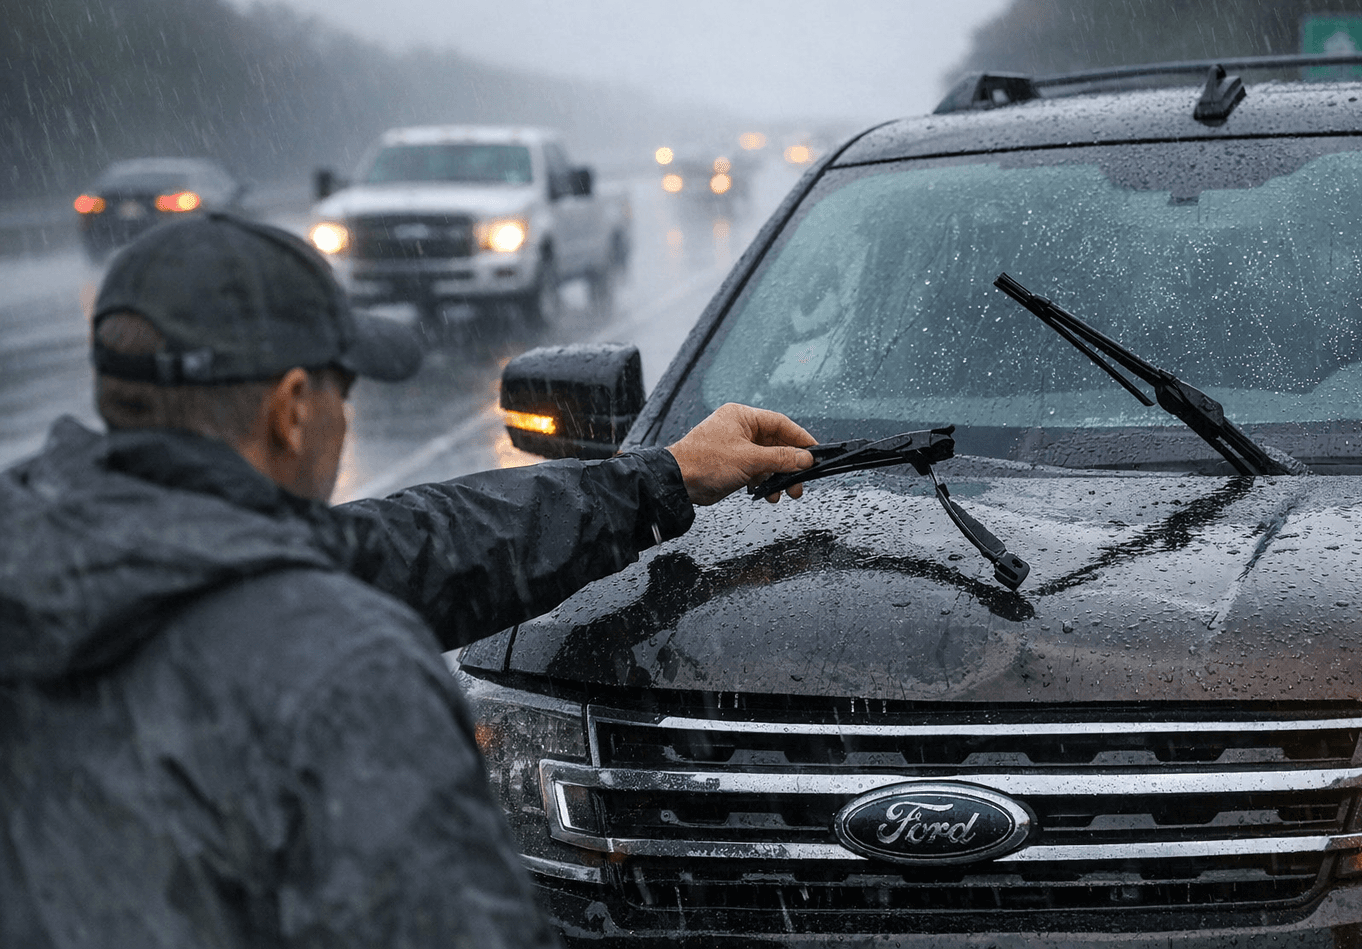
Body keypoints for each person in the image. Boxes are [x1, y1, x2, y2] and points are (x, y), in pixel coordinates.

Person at [0, 213, 815, 947]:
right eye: (342, 390)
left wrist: (658, 477)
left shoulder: (63, 545)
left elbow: (413, 545)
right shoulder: (340, 668)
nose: (343, 415)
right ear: (290, 409)